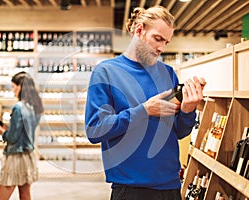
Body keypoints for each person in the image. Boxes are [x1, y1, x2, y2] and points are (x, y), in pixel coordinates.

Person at [84, 5, 205, 200]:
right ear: (139, 31)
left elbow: (180, 131)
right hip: (130, 189)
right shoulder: (106, 72)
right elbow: (95, 130)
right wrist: (145, 110)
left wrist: (188, 110)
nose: (161, 48)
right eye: (158, 39)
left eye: (166, 42)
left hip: (171, 186)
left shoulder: (167, 74)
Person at [0, 71, 44, 200]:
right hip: (28, 156)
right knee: (25, 195)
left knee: (1, 197)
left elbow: (12, 138)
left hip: (15, 158)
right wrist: (7, 128)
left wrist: (2, 132)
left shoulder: (18, 107)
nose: (13, 90)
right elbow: (23, 131)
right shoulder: (35, 107)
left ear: (20, 86)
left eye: (14, 87)